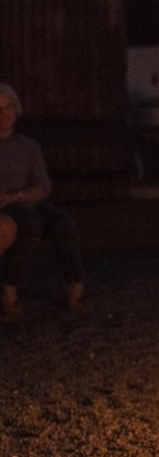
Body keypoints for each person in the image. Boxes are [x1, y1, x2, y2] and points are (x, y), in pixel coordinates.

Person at [0, 83, 86, 317]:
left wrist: (19, 195)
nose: (4, 114)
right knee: (29, 223)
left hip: (25, 199)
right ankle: (9, 289)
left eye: (8, 107)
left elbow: (43, 186)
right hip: (6, 205)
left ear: (15, 110)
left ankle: (73, 284)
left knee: (62, 223)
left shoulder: (28, 146)